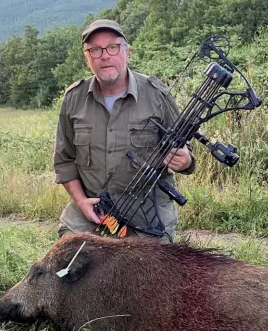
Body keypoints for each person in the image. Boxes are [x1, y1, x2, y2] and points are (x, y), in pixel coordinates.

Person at [53, 19, 195, 243]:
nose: (105, 55)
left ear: (126, 52)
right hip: (95, 210)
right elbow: (64, 161)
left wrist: (185, 160)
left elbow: (185, 149)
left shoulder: (157, 94)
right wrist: (81, 201)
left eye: (113, 47)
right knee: (69, 267)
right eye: (95, 50)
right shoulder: (74, 98)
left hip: (147, 213)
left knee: (143, 273)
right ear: (87, 58)